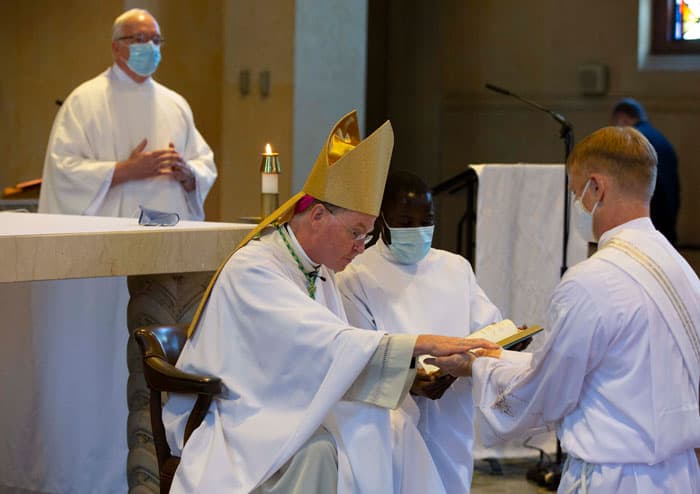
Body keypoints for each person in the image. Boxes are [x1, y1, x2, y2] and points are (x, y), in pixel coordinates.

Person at [162, 111, 498, 493]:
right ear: (318, 215)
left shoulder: (318, 271)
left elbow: (333, 354)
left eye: (368, 236)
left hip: (284, 403)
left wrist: (412, 373)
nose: (361, 247)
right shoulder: (255, 268)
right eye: (356, 232)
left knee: (395, 424)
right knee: (327, 449)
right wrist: (422, 343)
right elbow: (326, 342)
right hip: (240, 413)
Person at [428, 126, 700, 493]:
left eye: (576, 194)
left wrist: (478, 367)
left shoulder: (592, 280)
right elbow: (604, 369)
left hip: (613, 478)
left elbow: (550, 390)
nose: (578, 205)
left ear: (597, 188)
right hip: (678, 474)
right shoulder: (680, 268)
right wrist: (497, 357)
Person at [337, 170, 513, 492]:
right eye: (404, 221)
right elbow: (355, 349)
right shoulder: (356, 275)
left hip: (451, 414)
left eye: (426, 219)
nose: (417, 230)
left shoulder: (455, 268)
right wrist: (407, 380)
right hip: (391, 417)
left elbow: (487, 327)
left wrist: (505, 341)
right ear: (382, 219)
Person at [39, 8, 217, 218]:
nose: (150, 46)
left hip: (168, 231)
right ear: (116, 48)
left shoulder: (175, 103)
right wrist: (125, 170)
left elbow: (204, 163)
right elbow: (62, 170)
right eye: (140, 38)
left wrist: (189, 175)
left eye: (156, 39)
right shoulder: (84, 101)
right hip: (107, 233)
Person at [611, 98, 680, 245]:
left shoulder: (633, 140)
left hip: (647, 216)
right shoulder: (660, 138)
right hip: (667, 216)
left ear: (621, 118)